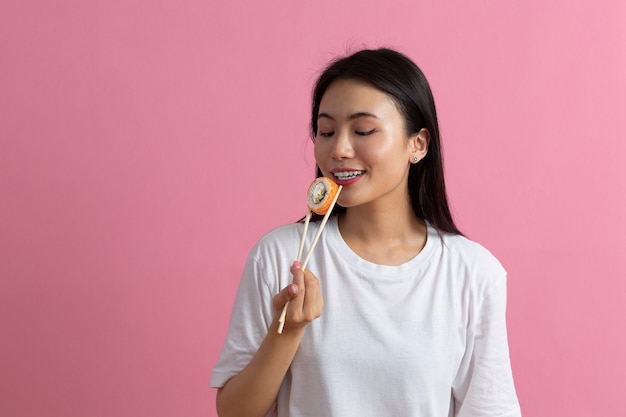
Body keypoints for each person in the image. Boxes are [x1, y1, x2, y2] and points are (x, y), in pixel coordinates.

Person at [211, 47, 521, 417]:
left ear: (417, 145)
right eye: (326, 131)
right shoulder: (280, 255)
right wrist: (287, 332)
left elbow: (489, 409)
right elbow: (234, 411)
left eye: (363, 130)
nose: (338, 149)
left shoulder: (473, 273)